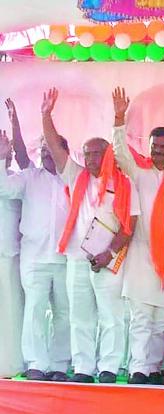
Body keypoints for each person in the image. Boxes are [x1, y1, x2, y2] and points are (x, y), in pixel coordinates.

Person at [42, 87, 140, 384]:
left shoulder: (124, 183)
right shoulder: (77, 176)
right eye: (87, 154)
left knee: (111, 315)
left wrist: (108, 253)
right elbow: (55, 148)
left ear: (108, 154)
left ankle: (109, 367)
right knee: (79, 316)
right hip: (77, 258)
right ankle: (83, 368)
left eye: (97, 152)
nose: (91, 158)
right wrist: (45, 114)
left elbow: (129, 226)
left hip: (109, 259)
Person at [111, 87, 164, 385]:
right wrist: (119, 117)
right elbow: (119, 152)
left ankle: (154, 368)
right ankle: (139, 369)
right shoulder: (139, 173)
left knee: (163, 319)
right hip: (141, 255)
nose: (158, 151)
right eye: (155, 146)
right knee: (141, 317)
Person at [0, 99, 70, 382]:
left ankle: (59, 365)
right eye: (41, 150)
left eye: (50, 149)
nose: (45, 154)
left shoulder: (73, 179)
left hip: (66, 259)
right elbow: (4, 187)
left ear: (62, 151)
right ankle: (37, 364)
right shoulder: (30, 177)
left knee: (65, 313)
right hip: (34, 258)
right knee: (35, 311)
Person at [0, 128, 24, 379]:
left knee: (11, 311)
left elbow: (4, 189)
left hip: (9, 255)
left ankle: (11, 364)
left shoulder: (16, 179)